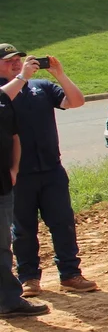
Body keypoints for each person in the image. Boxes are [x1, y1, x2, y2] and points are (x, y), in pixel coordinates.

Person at [0, 44, 97, 295]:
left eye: (18, 59)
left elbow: (76, 101)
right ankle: (29, 277)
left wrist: (60, 75)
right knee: (23, 230)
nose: (16, 63)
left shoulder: (40, 87)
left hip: (51, 168)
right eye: (8, 60)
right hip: (18, 173)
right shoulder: (5, 91)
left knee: (63, 222)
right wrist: (21, 78)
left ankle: (70, 273)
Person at [0, 62, 50, 318]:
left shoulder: (3, 99)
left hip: (3, 183)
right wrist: (22, 75)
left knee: (3, 244)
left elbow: (13, 135)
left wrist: (14, 168)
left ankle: (8, 300)